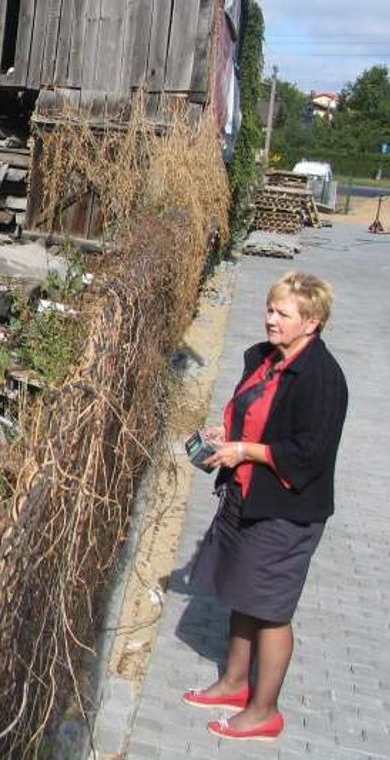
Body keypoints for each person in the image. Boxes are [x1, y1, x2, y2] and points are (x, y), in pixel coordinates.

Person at [181, 271, 348, 742]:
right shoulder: (265, 358)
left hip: (286, 510)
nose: (271, 319)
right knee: (242, 593)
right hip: (245, 495)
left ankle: (264, 710)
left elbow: (308, 453)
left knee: (272, 609)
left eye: (282, 314)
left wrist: (245, 452)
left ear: (311, 322)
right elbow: (255, 413)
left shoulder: (321, 378)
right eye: (270, 309)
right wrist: (225, 433)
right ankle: (234, 684)